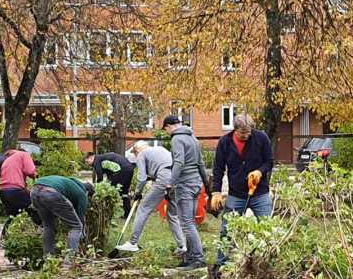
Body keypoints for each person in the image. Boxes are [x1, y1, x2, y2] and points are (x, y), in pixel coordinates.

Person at [211, 114, 274, 267]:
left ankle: (269, 263)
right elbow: (218, 168)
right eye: (243, 133)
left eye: (248, 132)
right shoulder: (225, 142)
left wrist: (260, 171)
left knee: (268, 229)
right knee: (227, 229)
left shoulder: (261, 138)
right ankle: (222, 265)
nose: (246, 135)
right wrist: (216, 192)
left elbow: (269, 161)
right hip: (236, 194)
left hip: (260, 193)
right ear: (235, 130)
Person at [112, 141, 185, 257]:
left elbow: (142, 178)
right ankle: (182, 246)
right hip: (178, 179)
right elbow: (162, 167)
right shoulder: (160, 149)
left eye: (135, 155)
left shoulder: (142, 154)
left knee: (143, 208)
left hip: (164, 179)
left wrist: (137, 193)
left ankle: (133, 242)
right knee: (172, 215)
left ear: (137, 150)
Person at [164, 115, 208, 270]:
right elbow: (201, 163)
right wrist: (206, 184)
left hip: (185, 185)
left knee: (187, 223)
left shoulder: (176, 139)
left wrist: (170, 183)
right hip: (196, 184)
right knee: (190, 222)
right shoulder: (193, 138)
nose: (167, 132)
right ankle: (189, 258)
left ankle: (198, 259)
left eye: (166, 129)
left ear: (169, 126)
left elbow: (179, 162)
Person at [29, 175, 94, 262]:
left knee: (48, 226)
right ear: (87, 193)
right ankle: (68, 262)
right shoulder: (82, 194)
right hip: (50, 192)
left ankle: (49, 260)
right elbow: (80, 216)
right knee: (76, 227)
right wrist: (82, 234)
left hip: (34, 191)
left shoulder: (71, 183)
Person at [0, 148, 38, 240]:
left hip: (4, 191)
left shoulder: (9, 159)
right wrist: (36, 175)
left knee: (13, 215)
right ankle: (42, 232)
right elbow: (30, 171)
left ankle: (4, 239)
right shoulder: (24, 154)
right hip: (15, 191)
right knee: (36, 207)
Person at [85, 151, 135, 218]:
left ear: (91, 157)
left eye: (87, 162)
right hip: (129, 168)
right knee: (124, 192)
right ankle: (127, 214)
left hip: (122, 170)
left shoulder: (97, 161)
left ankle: (110, 213)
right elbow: (110, 173)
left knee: (110, 191)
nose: (87, 164)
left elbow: (100, 178)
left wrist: (96, 189)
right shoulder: (103, 158)